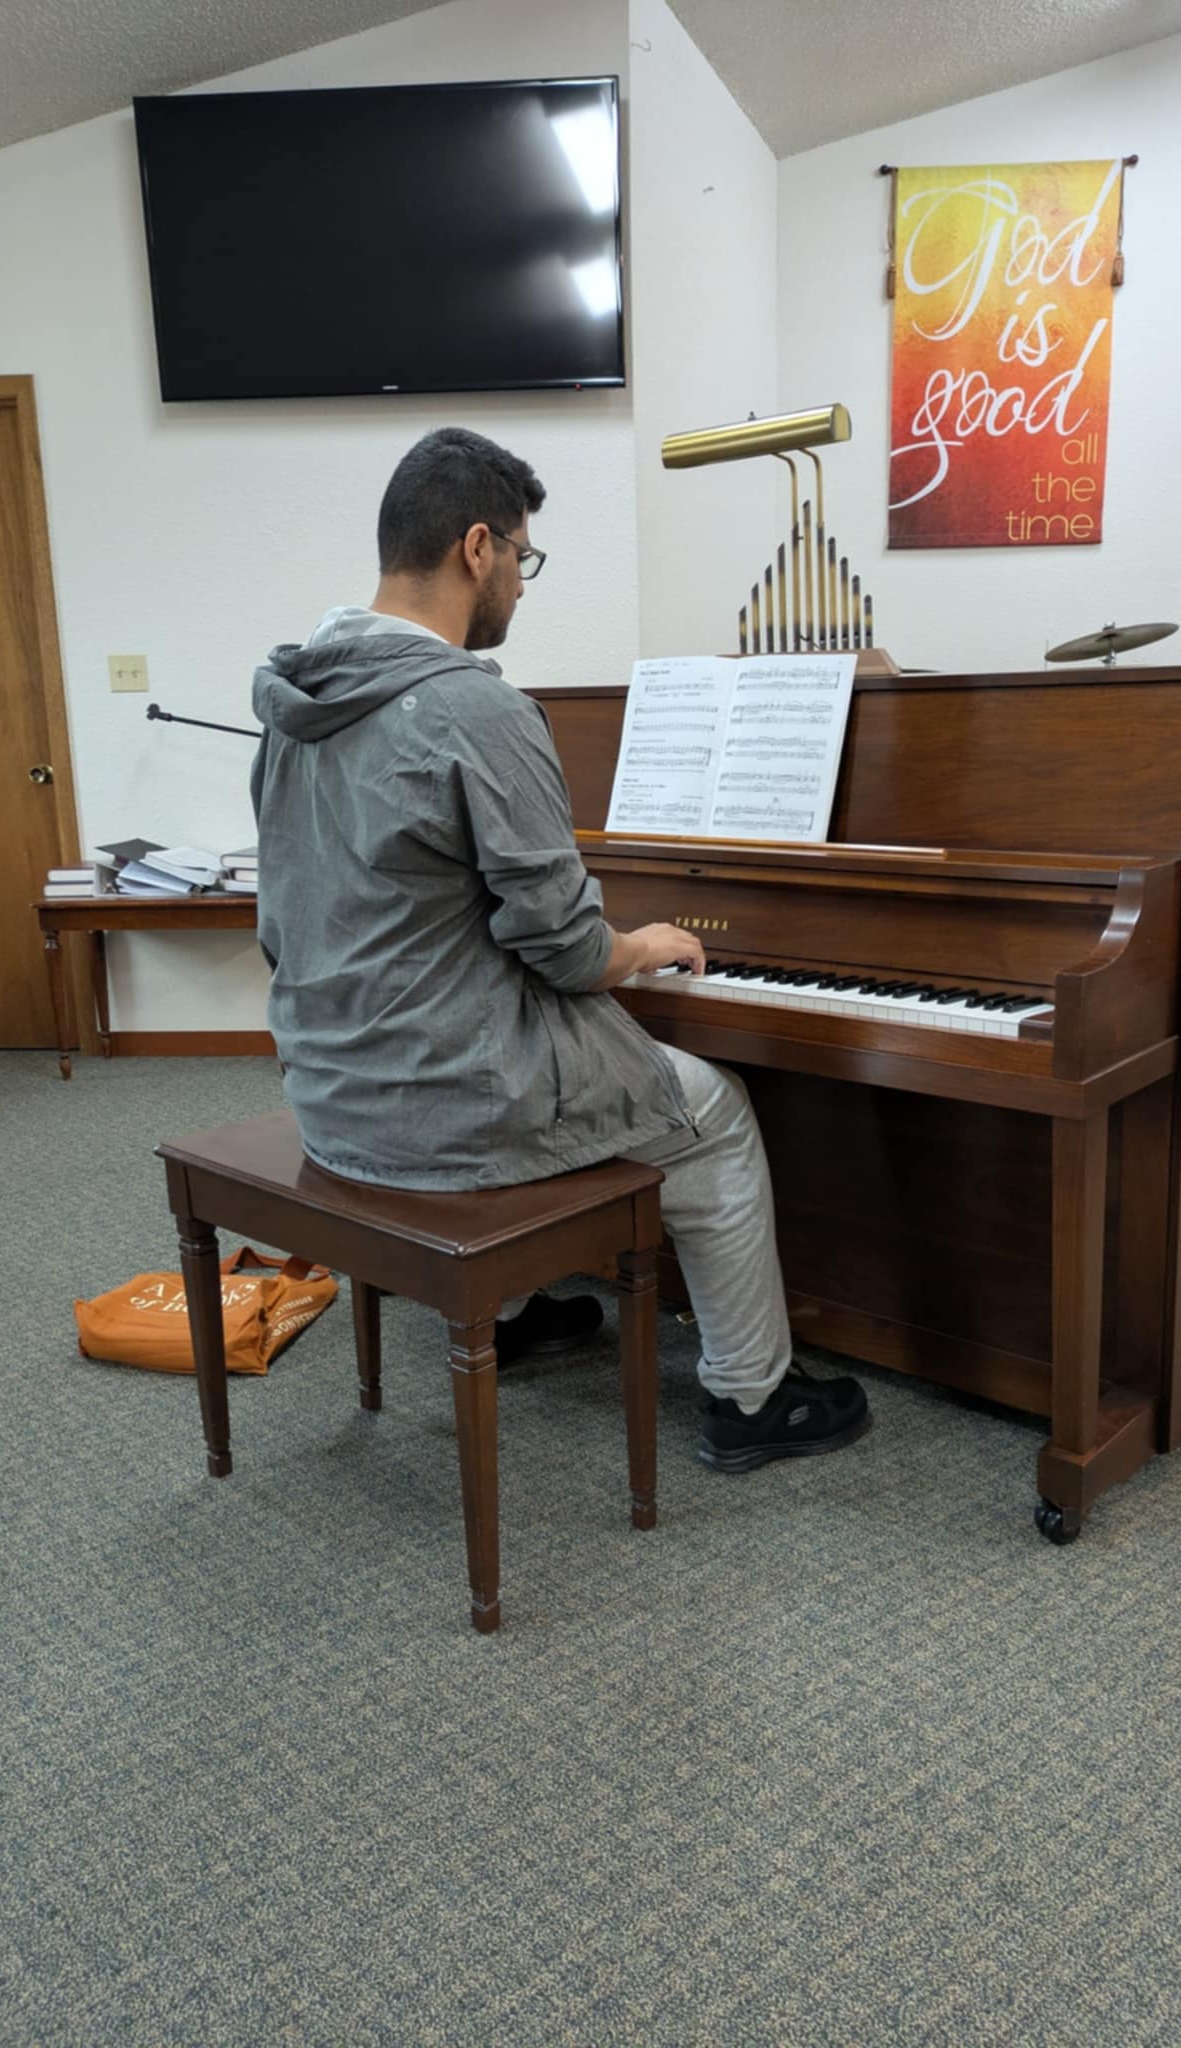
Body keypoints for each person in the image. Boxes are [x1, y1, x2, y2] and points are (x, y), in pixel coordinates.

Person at [250, 426, 869, 1471]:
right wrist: (643, 943)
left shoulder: (293, 703)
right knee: (716, 1111)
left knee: (518, 1022)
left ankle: (517, 1302)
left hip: (331, 1094)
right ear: (476, 547)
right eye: (522, 558)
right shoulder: (472, 707)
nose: (520, 585)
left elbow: (287, 921)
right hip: (449, 1106)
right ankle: (751, 1396)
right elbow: (568, 948)